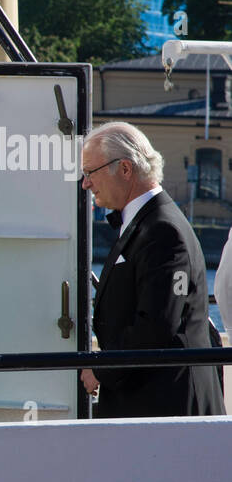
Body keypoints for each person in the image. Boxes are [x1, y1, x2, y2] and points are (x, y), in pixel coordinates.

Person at [79, 122, 224, 417]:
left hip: (165, 405)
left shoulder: (162, 230)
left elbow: (157, 326)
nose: (85, 183)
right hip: (153, 399)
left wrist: (101, 370)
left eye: (90, 172)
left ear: (125, 169)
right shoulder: (151, 223)